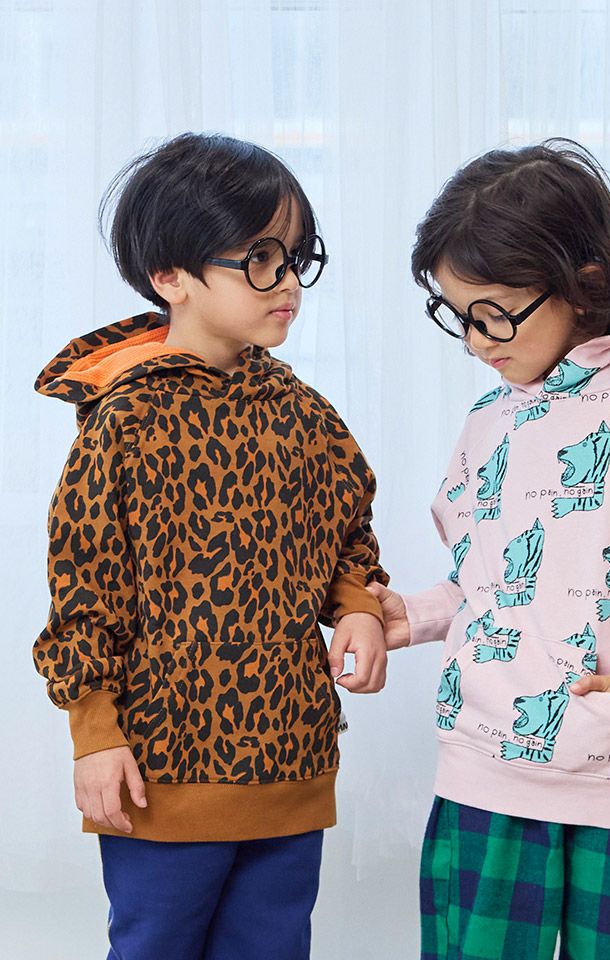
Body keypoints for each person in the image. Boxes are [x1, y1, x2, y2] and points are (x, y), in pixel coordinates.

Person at [368, 139, 610, 960]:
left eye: (494, 313)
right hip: (488, 760)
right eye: (459, 316)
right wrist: (415, 614)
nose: (477, 341)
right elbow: (489, 580)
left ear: (583, 283)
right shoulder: (492, 419)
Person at [33, 132, 388, 960]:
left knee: (273, 946)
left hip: (291, 759)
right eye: (260, 259)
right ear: (171, 277)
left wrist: (360, 609)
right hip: (161, 768)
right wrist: (95, 733)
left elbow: (347, 532)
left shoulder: (305, 414)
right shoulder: (125, 421)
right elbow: (84, 590)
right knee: (156, 944)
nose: (288, 282)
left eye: (296, 258)